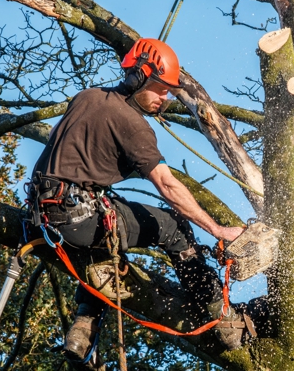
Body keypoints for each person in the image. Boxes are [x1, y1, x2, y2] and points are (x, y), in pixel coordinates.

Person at [26, 38, 253, 365]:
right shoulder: (134, 125)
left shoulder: (86, 98)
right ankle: (222, 318)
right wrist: (217, 229)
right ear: (139, 78)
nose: (165, 97)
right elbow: (166, 184)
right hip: (76, 218)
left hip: (41, 215)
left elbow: (69, 150)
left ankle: (82, 328)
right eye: (161, 89)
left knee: (104, 244)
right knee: (174, 226)